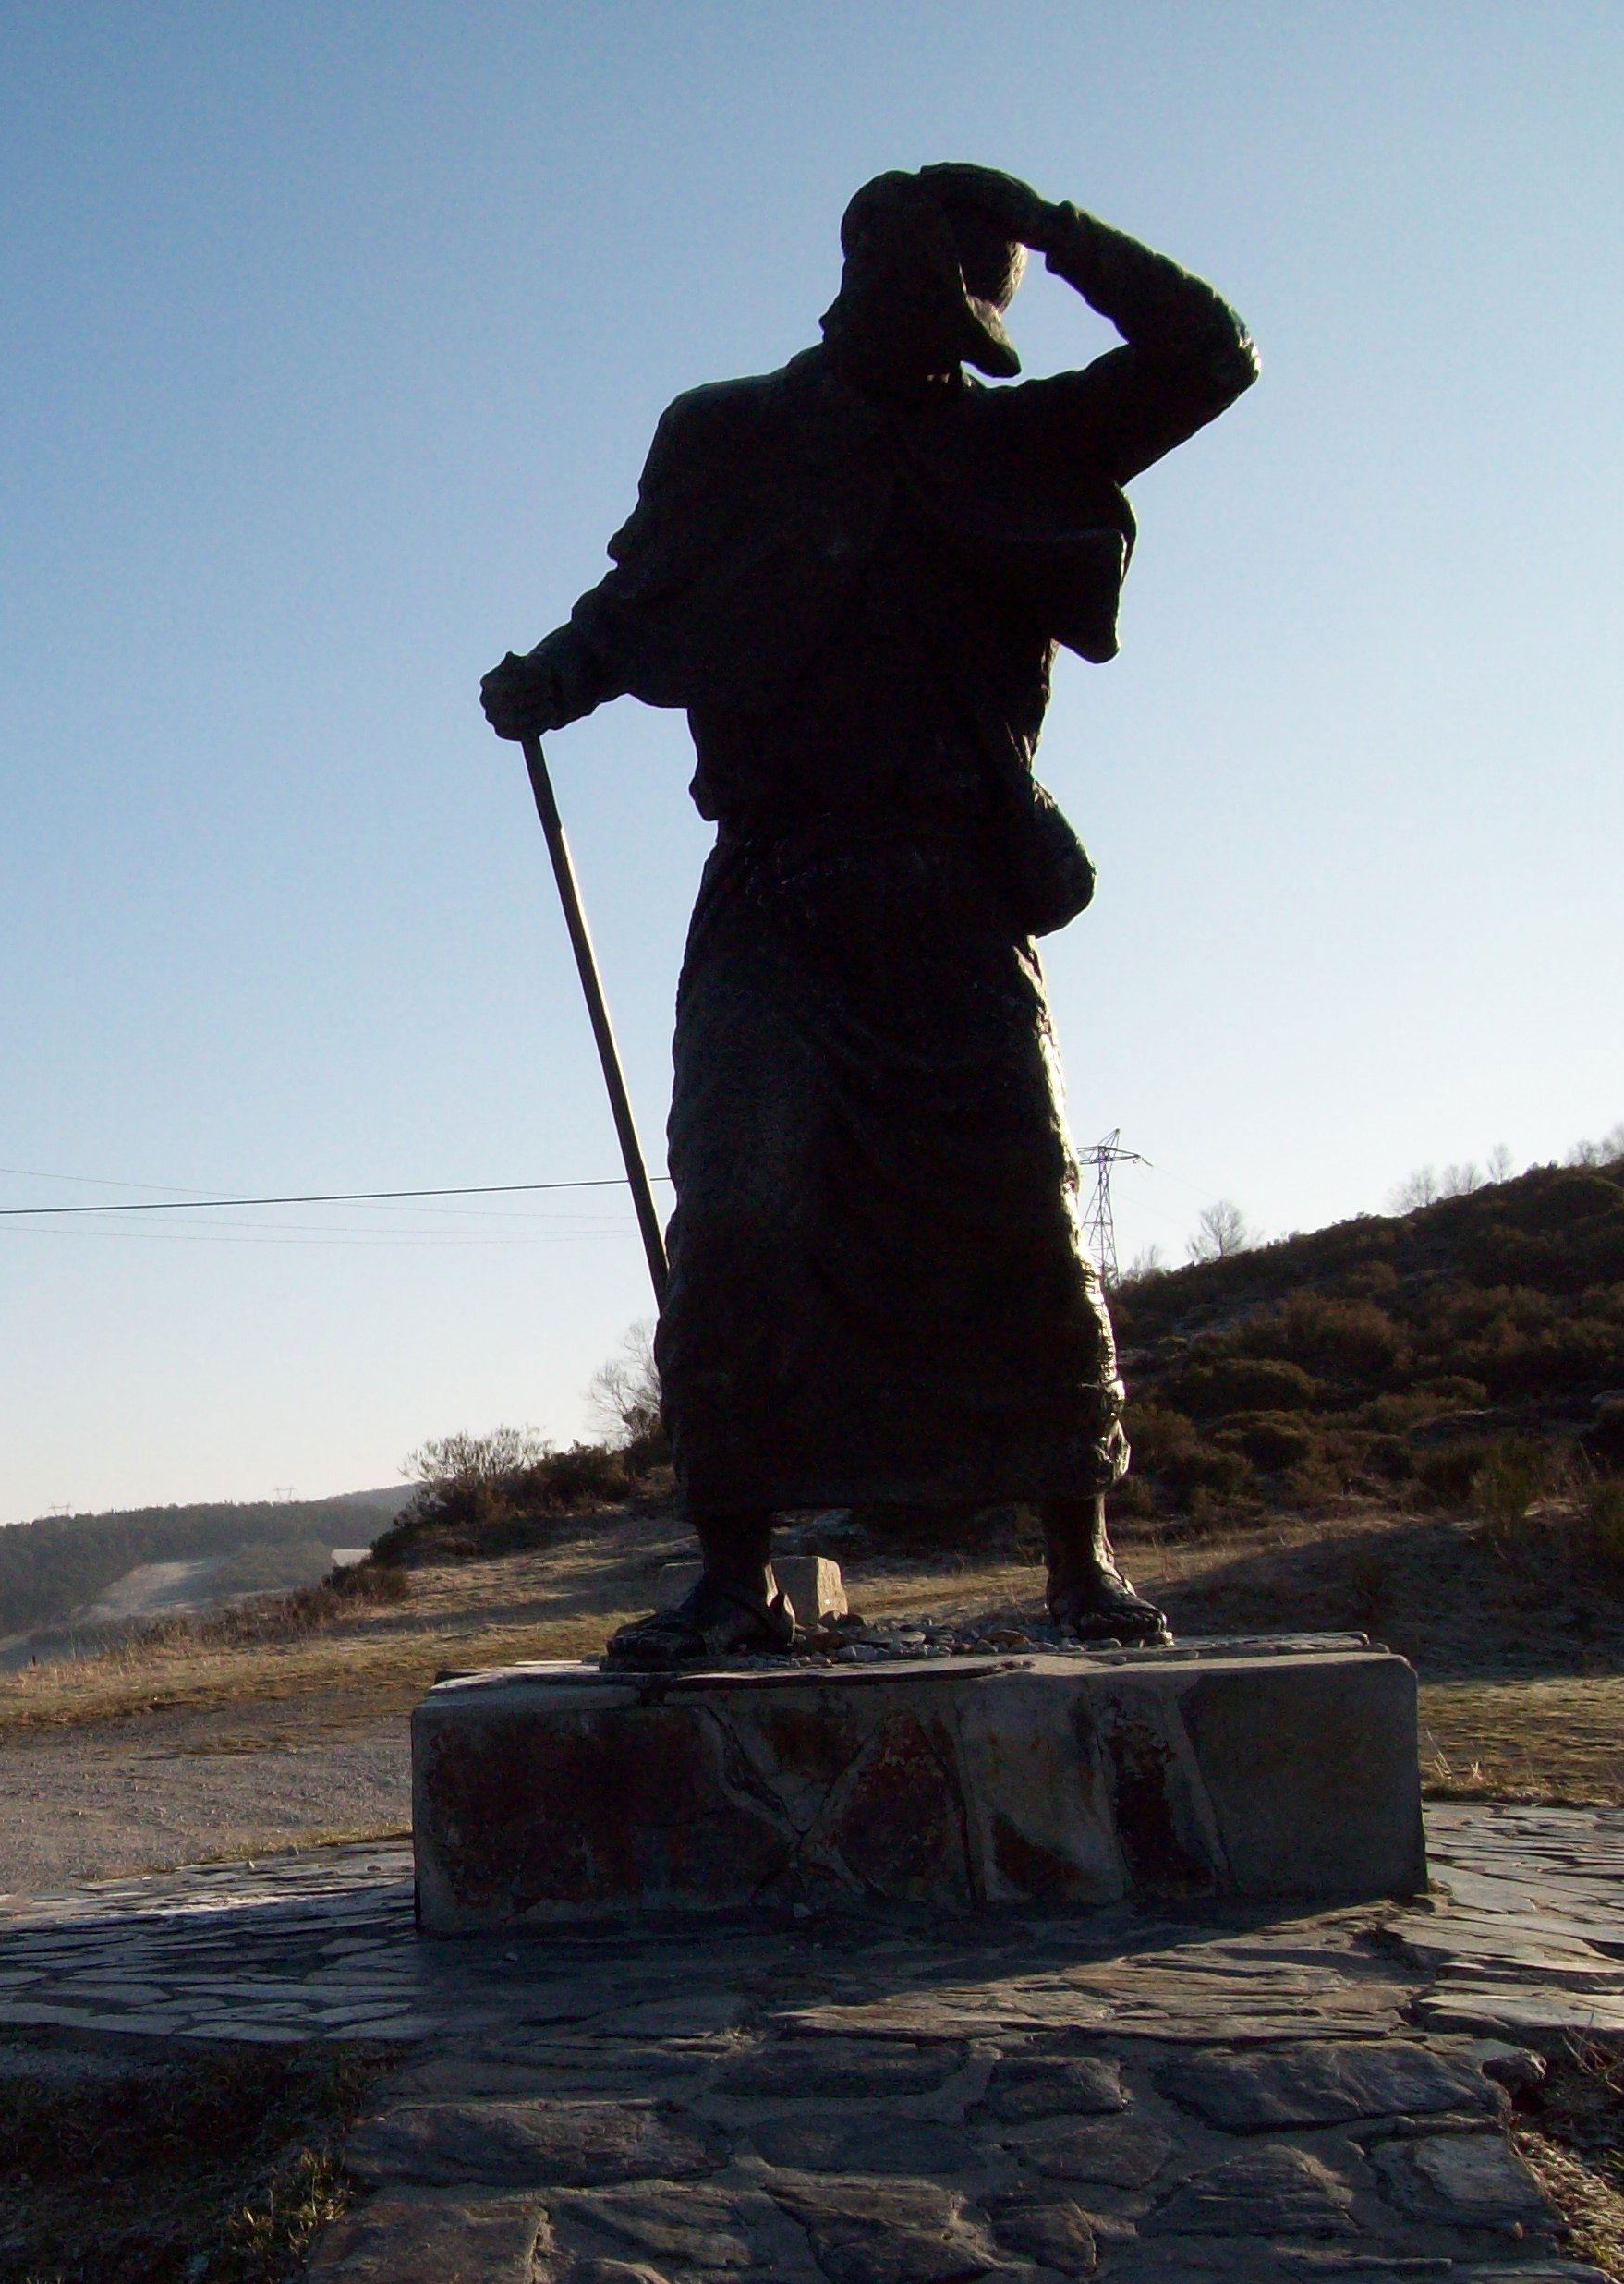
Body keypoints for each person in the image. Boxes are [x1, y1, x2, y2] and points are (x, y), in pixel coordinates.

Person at [482, 164, 1256, 1661]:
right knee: (743, 1212)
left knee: (1025, 1214)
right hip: (780, 887)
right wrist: (553, 684)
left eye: (973, 319)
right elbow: (638, 606)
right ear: (865, 286)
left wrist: (1055, 228)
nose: (951, 347)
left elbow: (1211, 358)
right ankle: (734, 1571)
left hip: (957, 889)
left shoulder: (1017, 444)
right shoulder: (733, 434)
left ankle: (1077, 1556)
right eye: (941, 305)